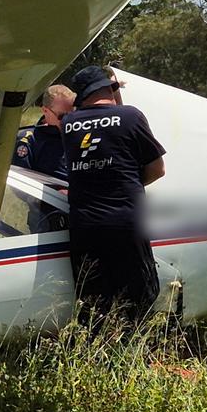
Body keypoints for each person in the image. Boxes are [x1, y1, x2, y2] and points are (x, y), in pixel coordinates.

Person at [61, 65, 166, 333]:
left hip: (84, 225)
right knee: (138, 291)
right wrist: (125, 181)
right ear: (111, 89)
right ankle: (133, 349)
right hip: (124, 221)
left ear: (81, 96)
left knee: (94, 297)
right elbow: (157, 169)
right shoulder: (130, 116)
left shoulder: (68, 124)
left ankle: (96, 349)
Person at [13, 84, 75, 179]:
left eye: (73, 114)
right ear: (45, 110)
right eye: (62, 116)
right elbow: (20, 182)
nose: (69, 120)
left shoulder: (79, 135)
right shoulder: (28, 140)